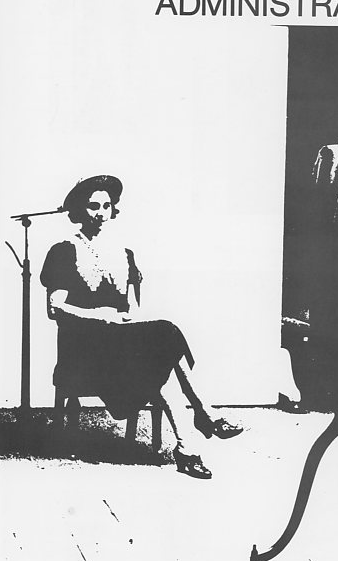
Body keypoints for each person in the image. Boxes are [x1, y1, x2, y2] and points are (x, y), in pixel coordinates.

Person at [40, 174, 242, 480]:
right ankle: (202, 418)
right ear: (79, 210)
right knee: (166, 335)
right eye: (93, 206)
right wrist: (99, 315)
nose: (100, 213)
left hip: (118, 344)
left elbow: (131, 309)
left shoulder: (124, 255)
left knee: (163, 346)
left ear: (113, 210)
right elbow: (55, 308)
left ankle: (188, 445)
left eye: (106, 206)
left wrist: (125, 320)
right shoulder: (64, 251)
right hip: (83, 350)